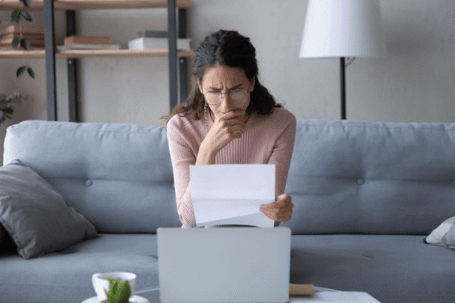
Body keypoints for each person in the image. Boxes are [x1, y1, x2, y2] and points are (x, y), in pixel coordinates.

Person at [160, 30, 296, 228]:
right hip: (203, 243)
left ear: (251, 82)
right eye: (214, 92)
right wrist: (207, 150)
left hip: (255, 241)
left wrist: (279, 211)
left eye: (237, 91)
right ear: (200, 86)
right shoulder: (181, 127)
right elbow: (188, 219)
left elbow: (270, 219)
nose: (226, 107)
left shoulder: (281, 124)